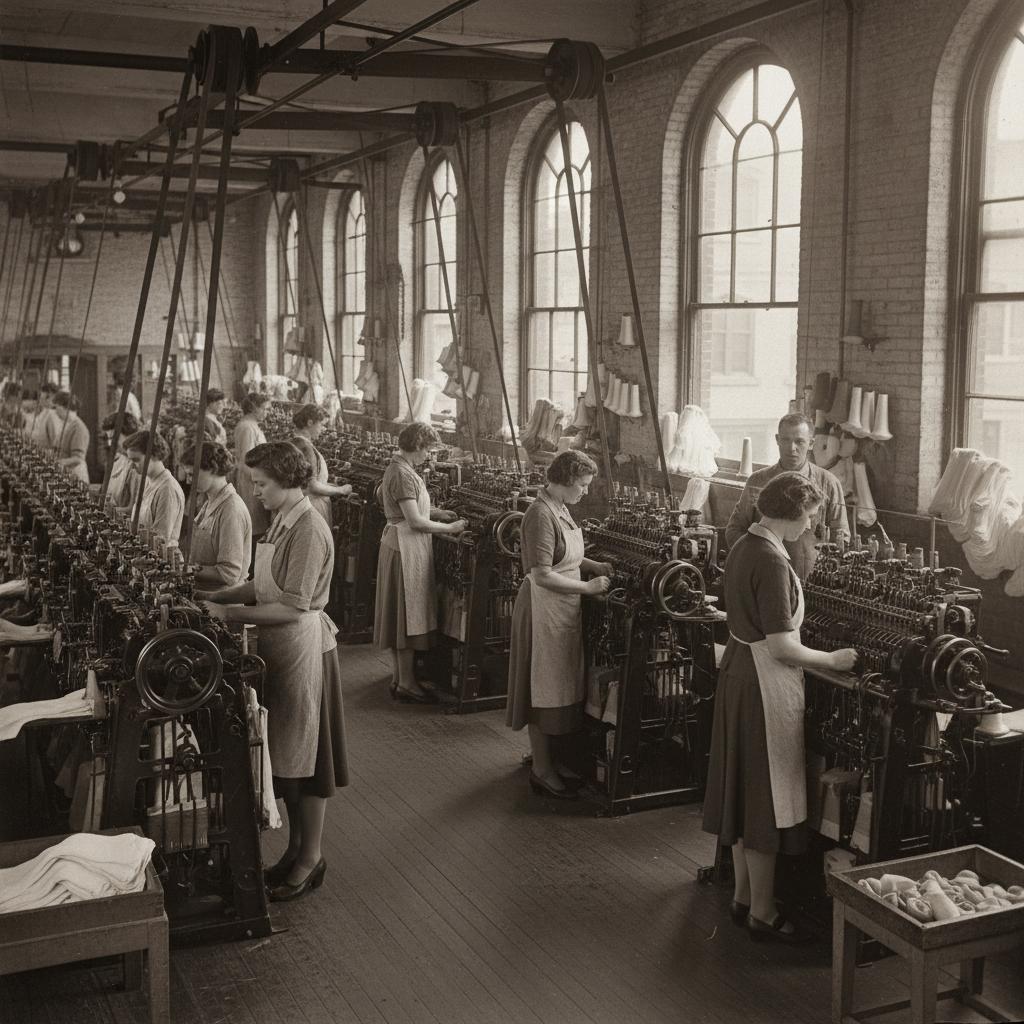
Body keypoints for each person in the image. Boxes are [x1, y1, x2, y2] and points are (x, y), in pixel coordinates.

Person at [703, 472, 858, 943]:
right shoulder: (771, 560)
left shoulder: (744, 545)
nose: (810, 524)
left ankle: (743, 897)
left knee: (745, 792)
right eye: (808, 515)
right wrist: (833, 660)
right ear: (790, 513)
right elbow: (783, 646)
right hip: (763, 685)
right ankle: (764, 911)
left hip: (739, 674)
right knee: (765, 799)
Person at [197, 441, 348, 901]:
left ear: (286, 481)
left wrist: (228, 615)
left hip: (305, 652)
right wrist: (217, 597)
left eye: (261, 484)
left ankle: (311, 858)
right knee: (287, 760)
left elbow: (291, 606)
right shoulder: (282, 519)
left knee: (310, 762)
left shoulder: (309, 529)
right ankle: (295, 851)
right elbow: (263, 586)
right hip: (278, 651)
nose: (256, 492)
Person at [505, 451, 612, 799]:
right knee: (542, 688)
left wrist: (592, 565)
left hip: (560, 608)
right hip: (543, 609)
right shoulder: (540, 514)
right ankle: (541, 770)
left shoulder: (560, 507)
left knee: (557, 686)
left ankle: (551, 757)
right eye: (582, 485)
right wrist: (588, 587)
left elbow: (563, 554)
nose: (585, 491)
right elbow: (542, 573)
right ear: (565, 480)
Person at [372, 423, 467, 703]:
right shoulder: (402, 474)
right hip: (405, 548)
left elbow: (410, 509)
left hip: (401, 544)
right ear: (417, 446)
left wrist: (438, 512)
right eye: (428, 450)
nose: (429, 455)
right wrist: (451, 528)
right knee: (407, 616)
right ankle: (407, 683)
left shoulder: (400, 468)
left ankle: (399, 678)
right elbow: (413, 520)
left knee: (401, 615)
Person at [724, 412, 849, 580]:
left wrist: (826, 575)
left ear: (811, 443)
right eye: (785, 440)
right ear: (777, 439)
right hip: (764, 576)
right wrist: (755, 560)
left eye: (799, 441)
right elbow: (734, 530)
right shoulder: (757, 481)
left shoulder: (829, 483)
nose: (792, 448)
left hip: (812, 580)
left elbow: (842, 538)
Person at [186, 441, 252, 588]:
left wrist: (187, 569)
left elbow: (229, 573)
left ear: (213, 469)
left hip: (223, 597)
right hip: (205, 591)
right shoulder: (210, 501)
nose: (189, 480)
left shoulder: (231, 509)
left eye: (192, 474)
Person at [290, 403, 351, 525]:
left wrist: (332, 485)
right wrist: (341, 490)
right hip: (311, 507)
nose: (323, 429)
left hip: (296, 504)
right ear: (310, 423)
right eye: (321, 425)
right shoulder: (305, 448)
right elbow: (312, 486)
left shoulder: (293, 442)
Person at [122, 430, 185, 546]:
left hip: (158, 555)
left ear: (154, 455)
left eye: (136, 460)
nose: (131, 466)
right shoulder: (147, 480)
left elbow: (160, 540)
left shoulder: (167, 489)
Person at [234, 392, 270, 538]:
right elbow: (245, 462)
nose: (266, 413)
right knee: (253, 525)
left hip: (255, 479)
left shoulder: (251, 426)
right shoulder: (247, 427)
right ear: (254, 408)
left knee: (257, 523)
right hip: (251, 482)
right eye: (264, 409)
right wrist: (262, 483)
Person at [100, 411, 140, 509]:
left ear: (129, 435)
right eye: (109, 439)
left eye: (114, 438)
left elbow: (132, 510)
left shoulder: (138, 467)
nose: (110, 444)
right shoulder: (118, 460)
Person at [52, 392, 91, 484]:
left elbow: (78, 458)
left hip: (76, 476)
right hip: (67, 474)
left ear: (65, 407)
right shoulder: (66, 425)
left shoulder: (79, 428)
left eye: (56, 407)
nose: (55, 411)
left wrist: (58, 462)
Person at [25, 381, 59, 449]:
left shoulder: (52, 414)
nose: (40, 400)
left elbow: (55, 443)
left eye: (43, 397)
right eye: (40, 397)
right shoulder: (43, 412)